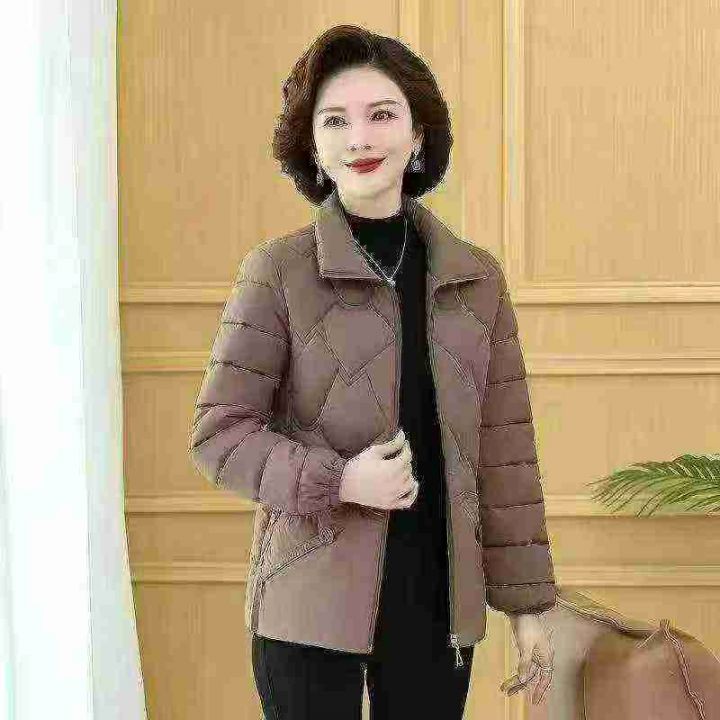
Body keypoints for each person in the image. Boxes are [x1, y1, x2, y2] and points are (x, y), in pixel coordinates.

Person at [189, 23, 556, 719]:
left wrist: (528, 606)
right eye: (335, 121)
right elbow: (220, 434)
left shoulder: (477, 280)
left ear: (418, 136)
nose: (359, 138)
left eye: (381, 115)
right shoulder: (277, 272)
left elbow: (506, 455)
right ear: (312, 146)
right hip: (308, 605)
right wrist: (340, 480)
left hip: (436, 603)